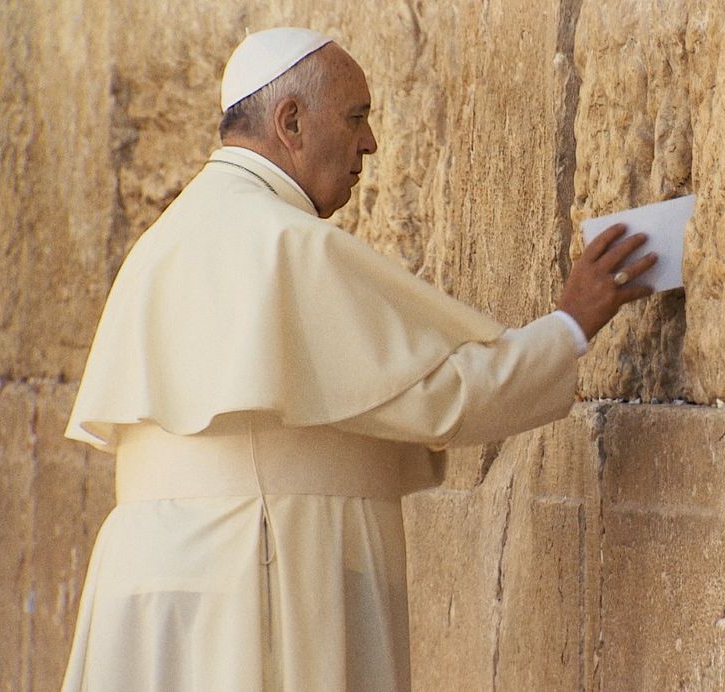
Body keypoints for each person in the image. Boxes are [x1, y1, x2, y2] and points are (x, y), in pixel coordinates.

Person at [61, 27, 655, 691]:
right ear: (291, 121)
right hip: (262, 571)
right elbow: (442, 396)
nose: (369, 142)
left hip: (149, 586)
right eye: (356, 117)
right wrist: (571, 324)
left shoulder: (162, 242)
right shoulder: (283, 243)